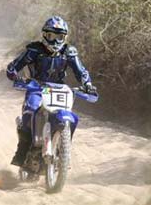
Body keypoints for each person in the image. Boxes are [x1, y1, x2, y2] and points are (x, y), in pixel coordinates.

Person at [6, 16, 97, 167]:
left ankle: (63, 151)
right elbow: (14, 66)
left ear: (64, 37)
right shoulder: (34, 50)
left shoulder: (69, 52)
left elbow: (81, 71)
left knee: (68, 114)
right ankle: (22, 151)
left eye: (59, 37)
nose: (55, 41)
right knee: (31, 109)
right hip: (36, 87)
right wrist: (16, 76)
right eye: (51, 36)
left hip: (59, 89)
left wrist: (87, 84)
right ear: (44, 35)